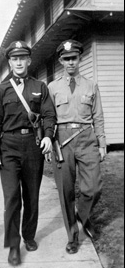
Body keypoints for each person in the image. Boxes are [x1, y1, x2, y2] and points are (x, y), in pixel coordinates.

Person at [0, 41, 56, 266]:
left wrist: (47, 135)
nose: (18, 62)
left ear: (29, 60)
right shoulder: (0, 90)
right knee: (11, 198)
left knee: (31, 196)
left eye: (22, 58)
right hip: (8, 147)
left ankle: (28, 236)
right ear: (10, 62)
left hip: (32, 145)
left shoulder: (40, 86)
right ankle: (13, 245)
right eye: (14, 58)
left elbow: (49, 115)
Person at [48, 39, 106, 254]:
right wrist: (47, 142)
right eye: (66, 59)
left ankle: (82, 216)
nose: (71, 62)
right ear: (61, 61)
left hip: (86, 136)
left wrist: (101, 142)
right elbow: (48, 117)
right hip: (61, 140)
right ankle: (73, 236)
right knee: (66, 191)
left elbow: (98, 116)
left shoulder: (91, 85)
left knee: (93, 187)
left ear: (79, 58)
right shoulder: (52, 87)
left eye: (74, 58)